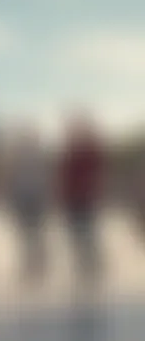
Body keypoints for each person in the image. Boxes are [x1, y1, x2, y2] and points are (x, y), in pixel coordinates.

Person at [59, 113, 105, 288]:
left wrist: (95, 191)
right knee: (75, 232)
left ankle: (93, 263)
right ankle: (84, 262)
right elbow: (63, 176)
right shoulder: (69, 151)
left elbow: (99, 173)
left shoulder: (91, 149)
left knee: (88, 231)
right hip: (72, 197)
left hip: (87, 195)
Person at [6, 125, 50, 285]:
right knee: (29, 232)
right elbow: (11, 177)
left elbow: (12, 177)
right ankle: (34, 262)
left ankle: (37, 262)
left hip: (32, 197)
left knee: (31, 232)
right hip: (26, 197)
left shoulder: (32, 155)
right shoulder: (27, 155)